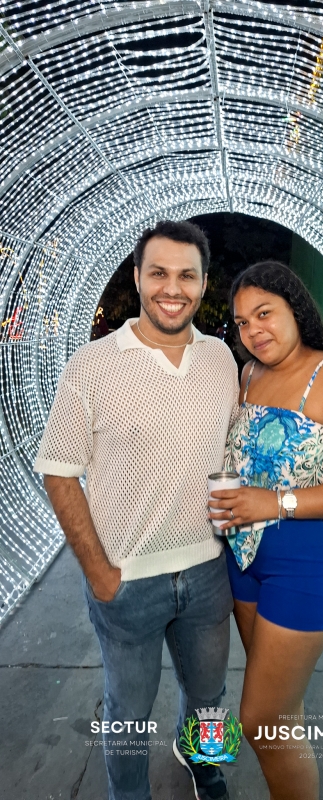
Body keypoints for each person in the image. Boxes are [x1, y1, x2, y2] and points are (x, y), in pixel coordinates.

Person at [33, 220, 239, 800]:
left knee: (209, 697)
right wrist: (99, 572)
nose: (172, 288)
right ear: (138, 277)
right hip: (126, 581)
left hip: (207, 572)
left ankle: (204, 766)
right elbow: (59, 471)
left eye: (186, 275)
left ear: (203, 284)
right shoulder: (92, 365)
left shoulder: (221, 359)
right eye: (159, 273)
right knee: (127, 711)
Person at [208, 260, 323, 800]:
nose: (253, 330)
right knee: (283, 712)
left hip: (305, 562)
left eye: (264, 313)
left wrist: (275, 501)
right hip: (242, 558)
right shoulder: (248, 374)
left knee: (262, 719)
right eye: (242, 322)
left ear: (296, 308)